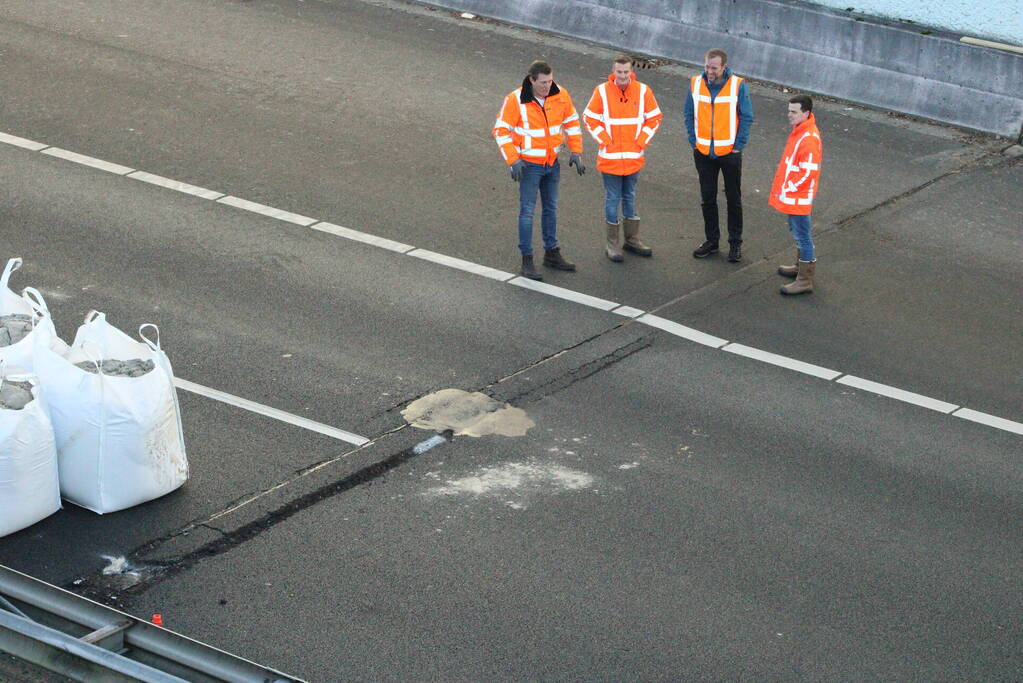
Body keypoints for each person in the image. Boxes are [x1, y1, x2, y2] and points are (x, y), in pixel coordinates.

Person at [493, 60, 585, 281]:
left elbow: (571, 122)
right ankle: (527, 260)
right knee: (527, 213)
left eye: (550, 81)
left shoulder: (560, 94)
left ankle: (551, 252)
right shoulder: (515, 100)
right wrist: (513, 160)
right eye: (543, 83)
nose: (547, 87)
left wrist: (576, 150)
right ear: (531, 80)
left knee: (551, 208)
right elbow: (500, 131)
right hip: (530, 166)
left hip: (551, 163)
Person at [583, 54, 663, 262]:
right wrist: (605, 140)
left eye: (626, 72)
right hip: (611, 159)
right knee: (613, 198)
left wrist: (641, 141)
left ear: (631, 72)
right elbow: (589, 117)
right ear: (613, 71)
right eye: (619, 72)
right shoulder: (601, 91)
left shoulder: (643, 91)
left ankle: (632, 239)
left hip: (633, 156)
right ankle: (612, 244)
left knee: (630, 196)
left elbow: (655, 117)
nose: (622, 76)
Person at [684, 48, 754, 263]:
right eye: (707, 66)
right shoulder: (696, 83)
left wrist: (737, 146)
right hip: (703, 152)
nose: (709, 71)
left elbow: (747, 116)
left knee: (733, 199)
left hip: (729, 153)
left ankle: (735, 244)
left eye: (714, 67)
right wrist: (694, 141)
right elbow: (688, 113)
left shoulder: (737, 85)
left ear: (724, 67)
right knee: (707, 198)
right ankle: (712, 241)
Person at [770, 94, 823, 295]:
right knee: (798, 232)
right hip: (796, 198)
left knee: (803, 236)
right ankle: (801, 269)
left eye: (793, 112)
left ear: (806, 113)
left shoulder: (807, 138)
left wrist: (789, 187)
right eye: (789, 110)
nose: (789, 115)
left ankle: (805, 279)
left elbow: (808, 172)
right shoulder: (801, 132)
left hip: (798, 198)